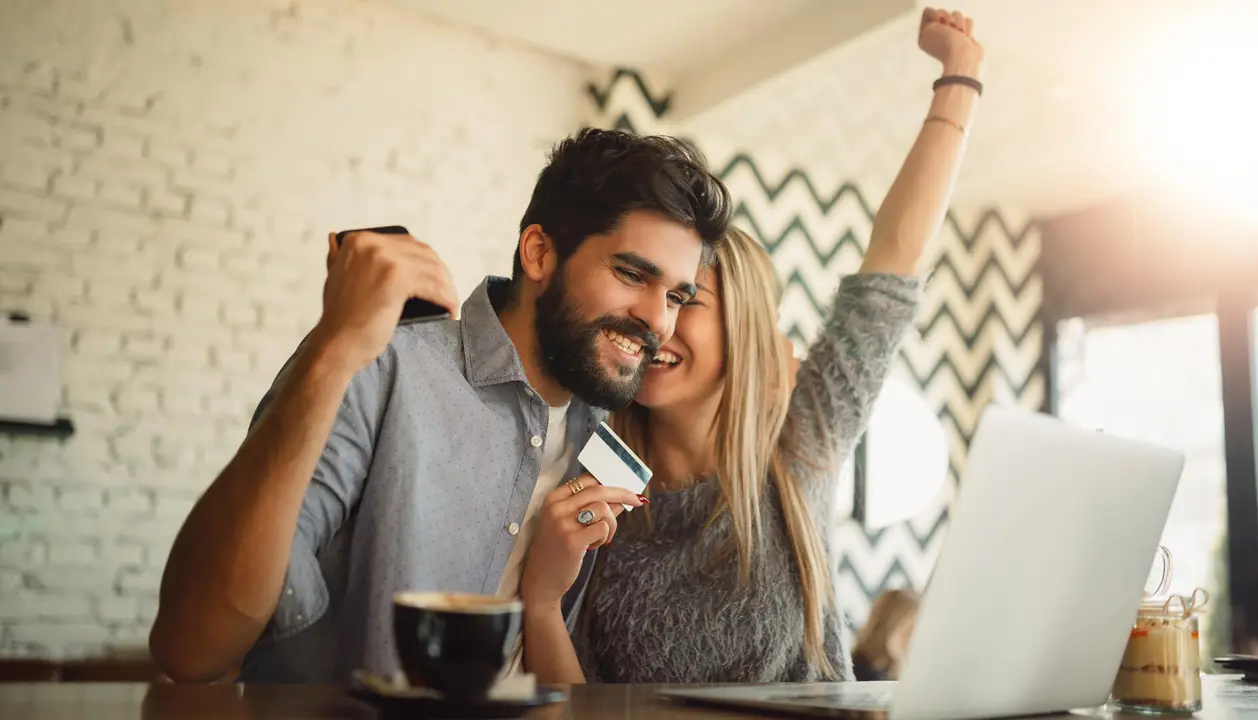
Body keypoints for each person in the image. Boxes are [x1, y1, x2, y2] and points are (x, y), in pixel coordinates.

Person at [149, 128, 733, 684]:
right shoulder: (379, 367)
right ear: (538, 253)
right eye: (631, 273)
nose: (658, 320)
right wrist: (332, 351)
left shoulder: (601, 436)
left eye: (676, 297)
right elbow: (192, 648)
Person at [518, 7, 984, 683]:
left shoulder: (800, 441)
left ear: (745, 331)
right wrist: (540, 602)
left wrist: (960, 77)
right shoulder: (593, 472)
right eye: (644, 286)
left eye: (686, 300)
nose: (656, 322)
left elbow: (894, 262)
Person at [851, 589, 921, 681]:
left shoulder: (889, 671)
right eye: (909, 632)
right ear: (889, 628)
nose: (915, 640)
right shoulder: (858, 674)